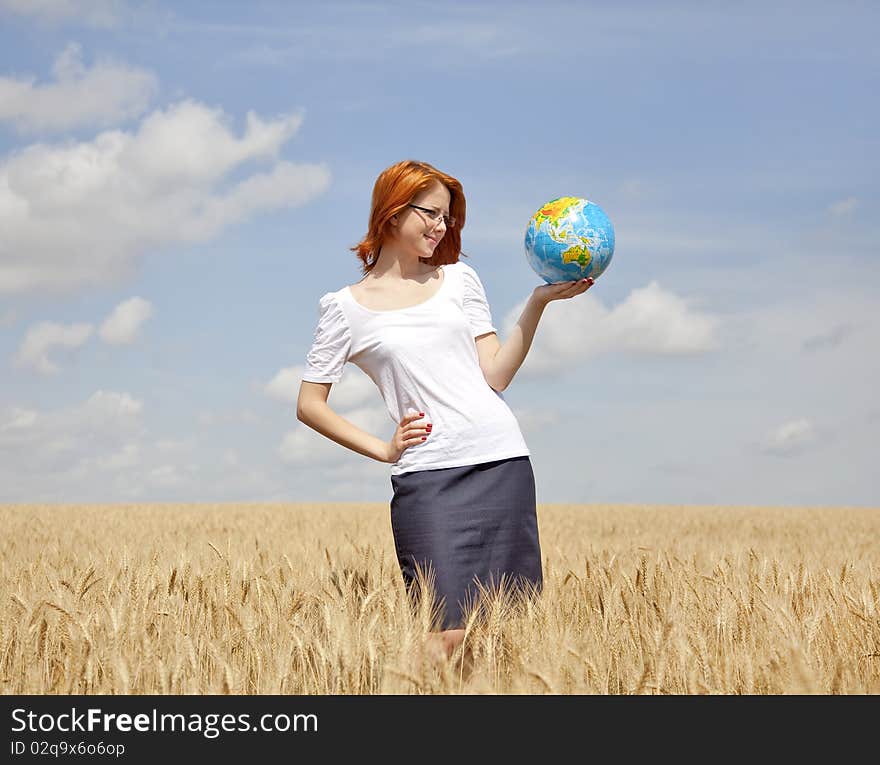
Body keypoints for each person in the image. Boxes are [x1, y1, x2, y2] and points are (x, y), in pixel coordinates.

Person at [296, 159, 594, 665]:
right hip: (429, 479)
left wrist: (538, 303)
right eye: (431, 213)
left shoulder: (460, 280)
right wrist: (384, 448)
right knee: (444, 633)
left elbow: (495, 374)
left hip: (502, 462)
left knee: (502, 634)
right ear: (392, 212)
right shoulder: (345, 308)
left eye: (448, 218)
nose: (442, 226)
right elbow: (309, 404)